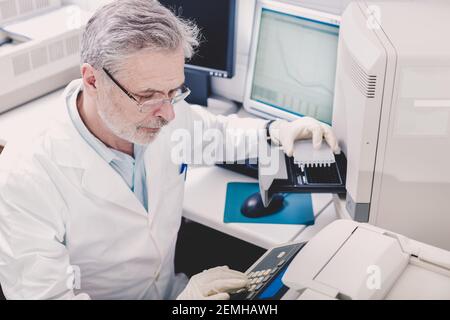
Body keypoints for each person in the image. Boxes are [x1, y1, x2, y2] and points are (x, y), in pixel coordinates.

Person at [0, 0, 339, 300]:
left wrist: (275, 130)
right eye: (147, 95)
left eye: (174, 91)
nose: (168, 113)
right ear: (92, 80)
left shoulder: (159, 112)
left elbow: (217, 133)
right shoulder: (25, 177)